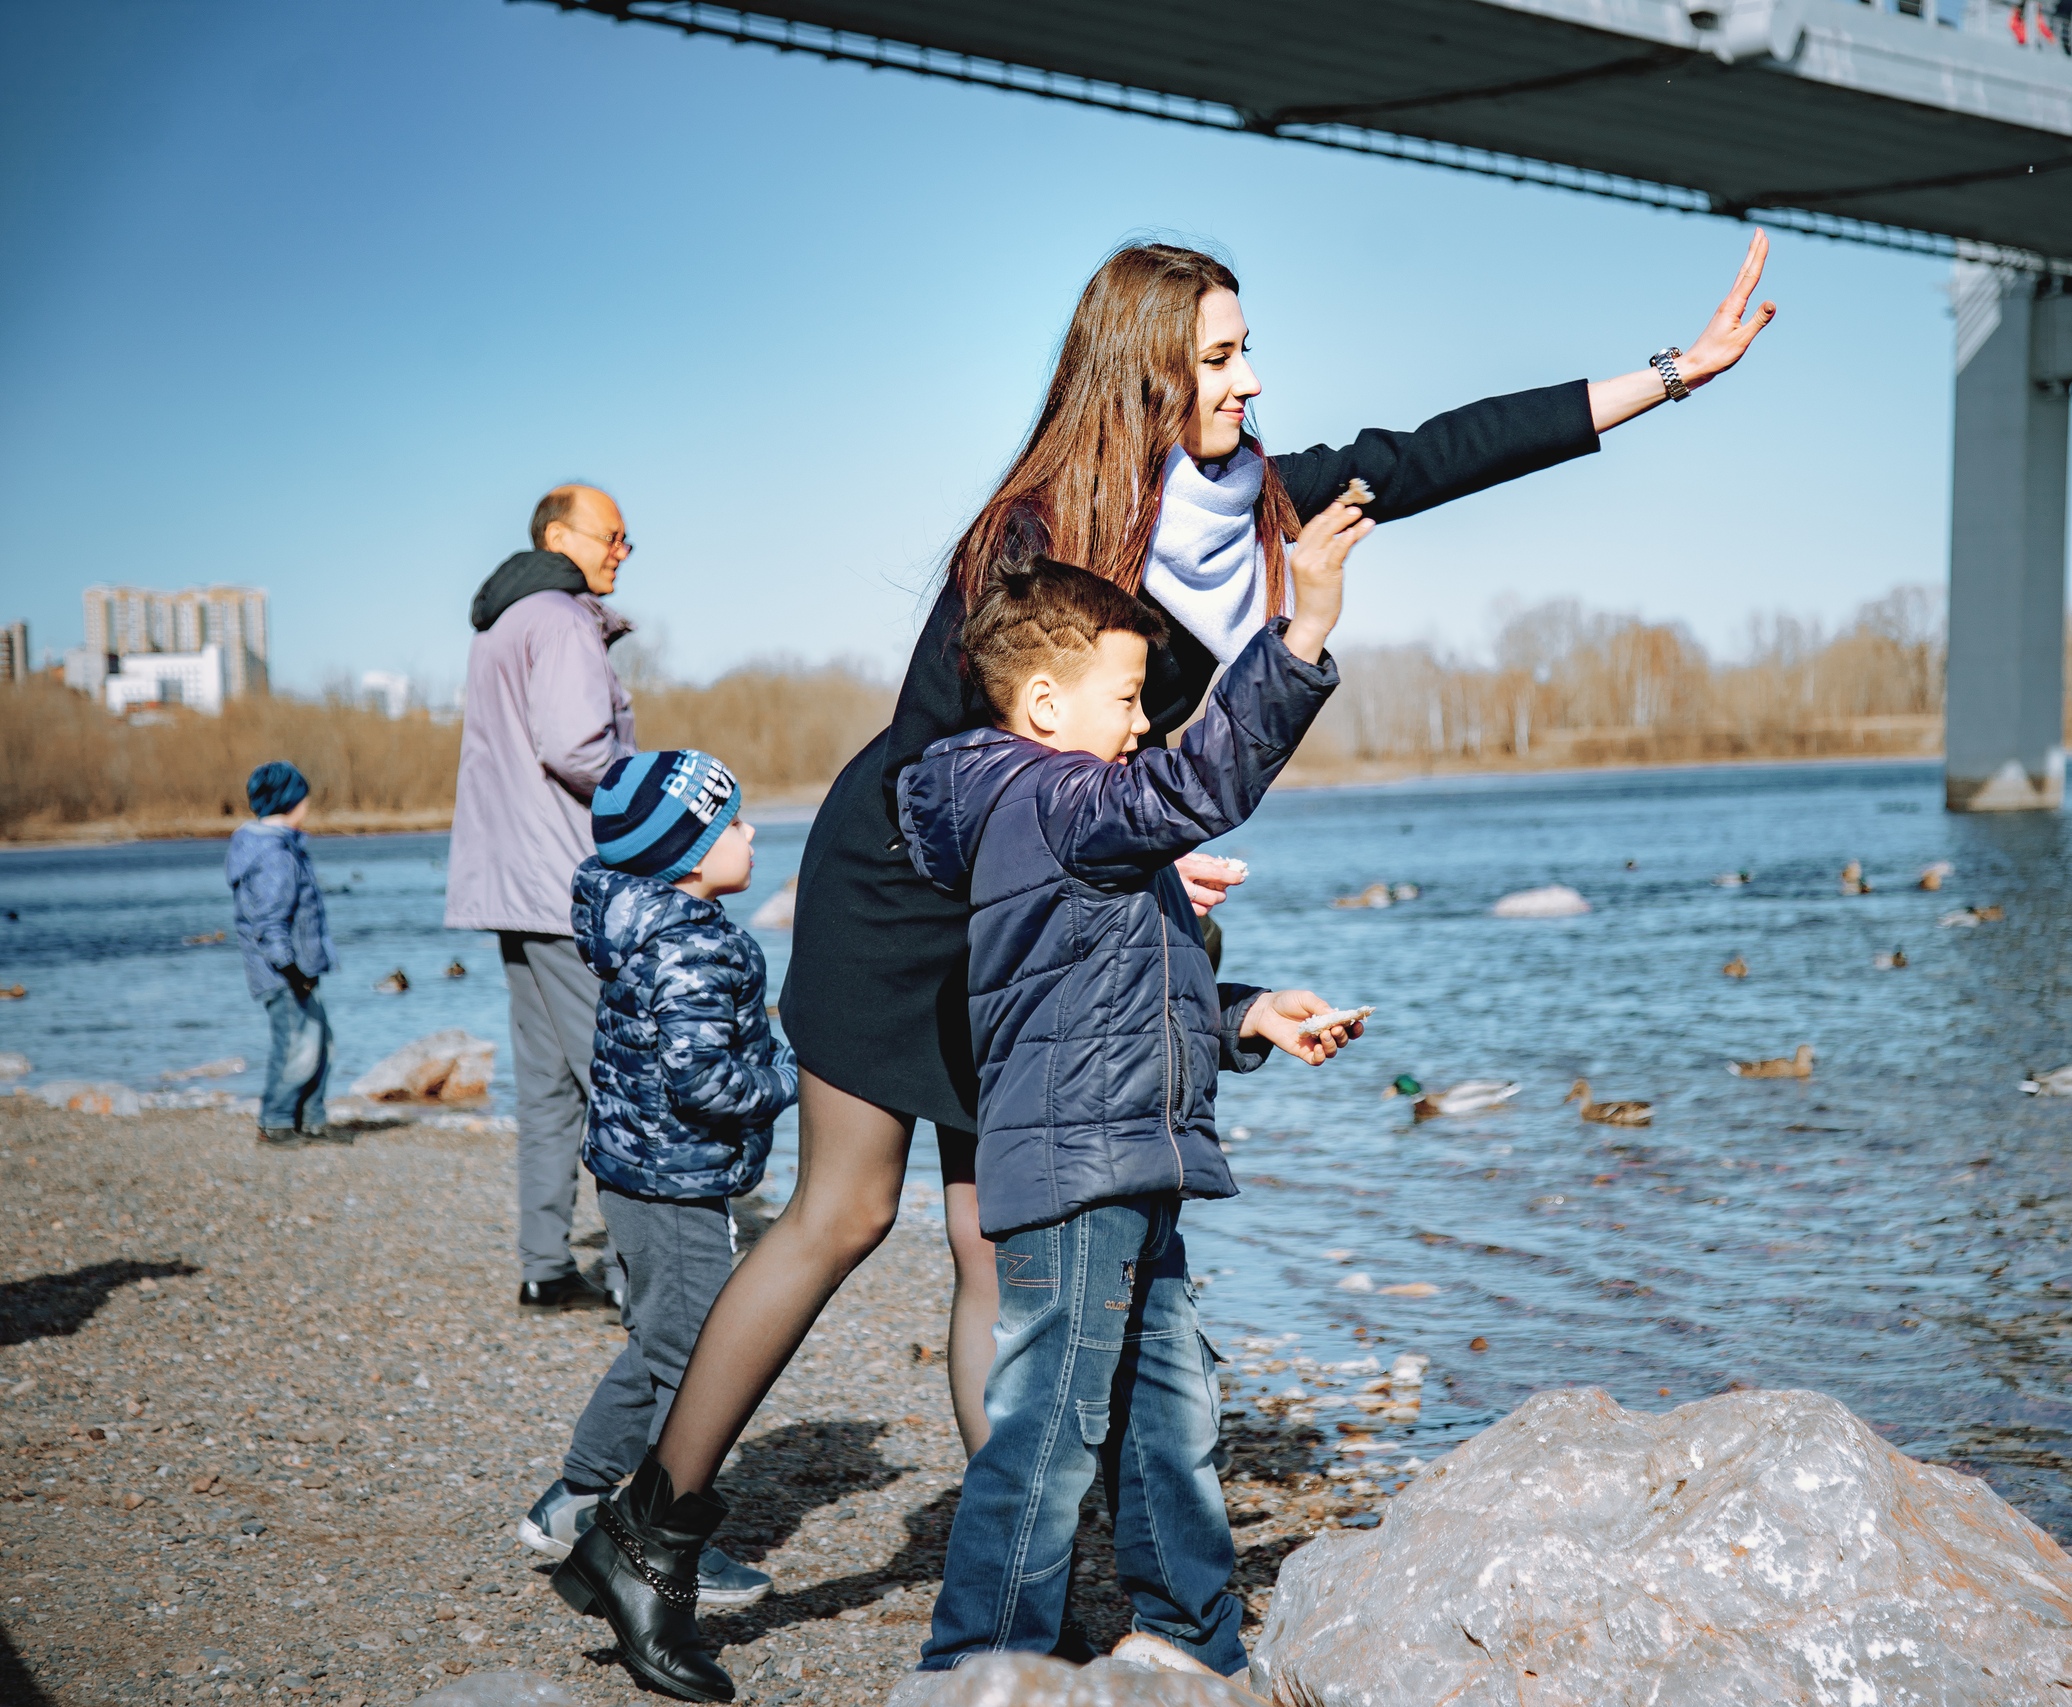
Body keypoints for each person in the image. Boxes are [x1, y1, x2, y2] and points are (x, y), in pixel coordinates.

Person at [618, 235, 1779, 1626]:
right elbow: (954, 767)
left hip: (1050, 880)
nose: (1251, 379)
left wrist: (1670, 376)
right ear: (1149, 374)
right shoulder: (1035, 537)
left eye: (1245, 349)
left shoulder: (1248, 500)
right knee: (844, 1208)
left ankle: (1017, 1592)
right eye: (1220, 357)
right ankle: (650, 1528)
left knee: (999, 1233)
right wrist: (1123, 838)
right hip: (910, 883)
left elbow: (1436, 453)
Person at [908, 545, 1364, 1679]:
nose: (1139, 727)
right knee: (1049, 1427)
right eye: (1125, 700)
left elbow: (1121, 994)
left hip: (1124, 1159)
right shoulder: (1053, 797)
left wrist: (1246, 1017)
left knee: (1169, 1422)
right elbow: (1194, 785)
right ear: (1048, 704)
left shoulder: (1060, 817)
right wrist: (1300, 635)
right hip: (1078, 1169)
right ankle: (975, 1665)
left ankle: (1191, 1644)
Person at [522, 750, 791, 1640]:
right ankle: (664, 1532)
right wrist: (789, 1072)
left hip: (640, 1171)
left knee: (659, 1338)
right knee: (697, 1359)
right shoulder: (693, 941)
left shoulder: (642, 921)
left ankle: (580, 1492)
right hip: (673, 1178)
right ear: (688, 856)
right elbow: (704, 1078)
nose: (751, 834)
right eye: (733, 825)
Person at [445, 484, 638, 1311]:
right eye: (613, 535)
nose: (623, 550)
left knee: (548, 1084)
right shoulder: (559, 619)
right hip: (562, 883)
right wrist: (656, 789)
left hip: (507, 886)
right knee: (617, 1081)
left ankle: (543, 1262)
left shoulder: (500, 627)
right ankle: (643, 1279)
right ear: (560, 536)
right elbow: (576, 747)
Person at [226, 761, 337, 1148]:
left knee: (319, 1041)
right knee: (297, 1044)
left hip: (299, 967)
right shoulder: (274, 855)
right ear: (290, 802)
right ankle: (275, 1122)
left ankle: (310, 1119)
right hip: (283, 972)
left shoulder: (282, 846)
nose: (307, 804)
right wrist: (291, 969)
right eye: (302, 798)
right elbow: (270, 923)